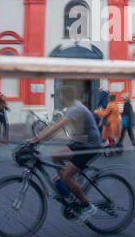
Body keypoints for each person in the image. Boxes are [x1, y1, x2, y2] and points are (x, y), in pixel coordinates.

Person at [28, 85, 103, 221]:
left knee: (67, 176)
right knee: (55, 156)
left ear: (65, 96)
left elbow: (57, 126)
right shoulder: (73, 107)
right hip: (80, 143)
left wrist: (37, 139)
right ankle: (68, 189)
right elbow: (54, 126)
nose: (59, 98)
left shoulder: (75, 109)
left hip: (90, 146)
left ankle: (87, 206)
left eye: (60, 95)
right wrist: (36, 139)